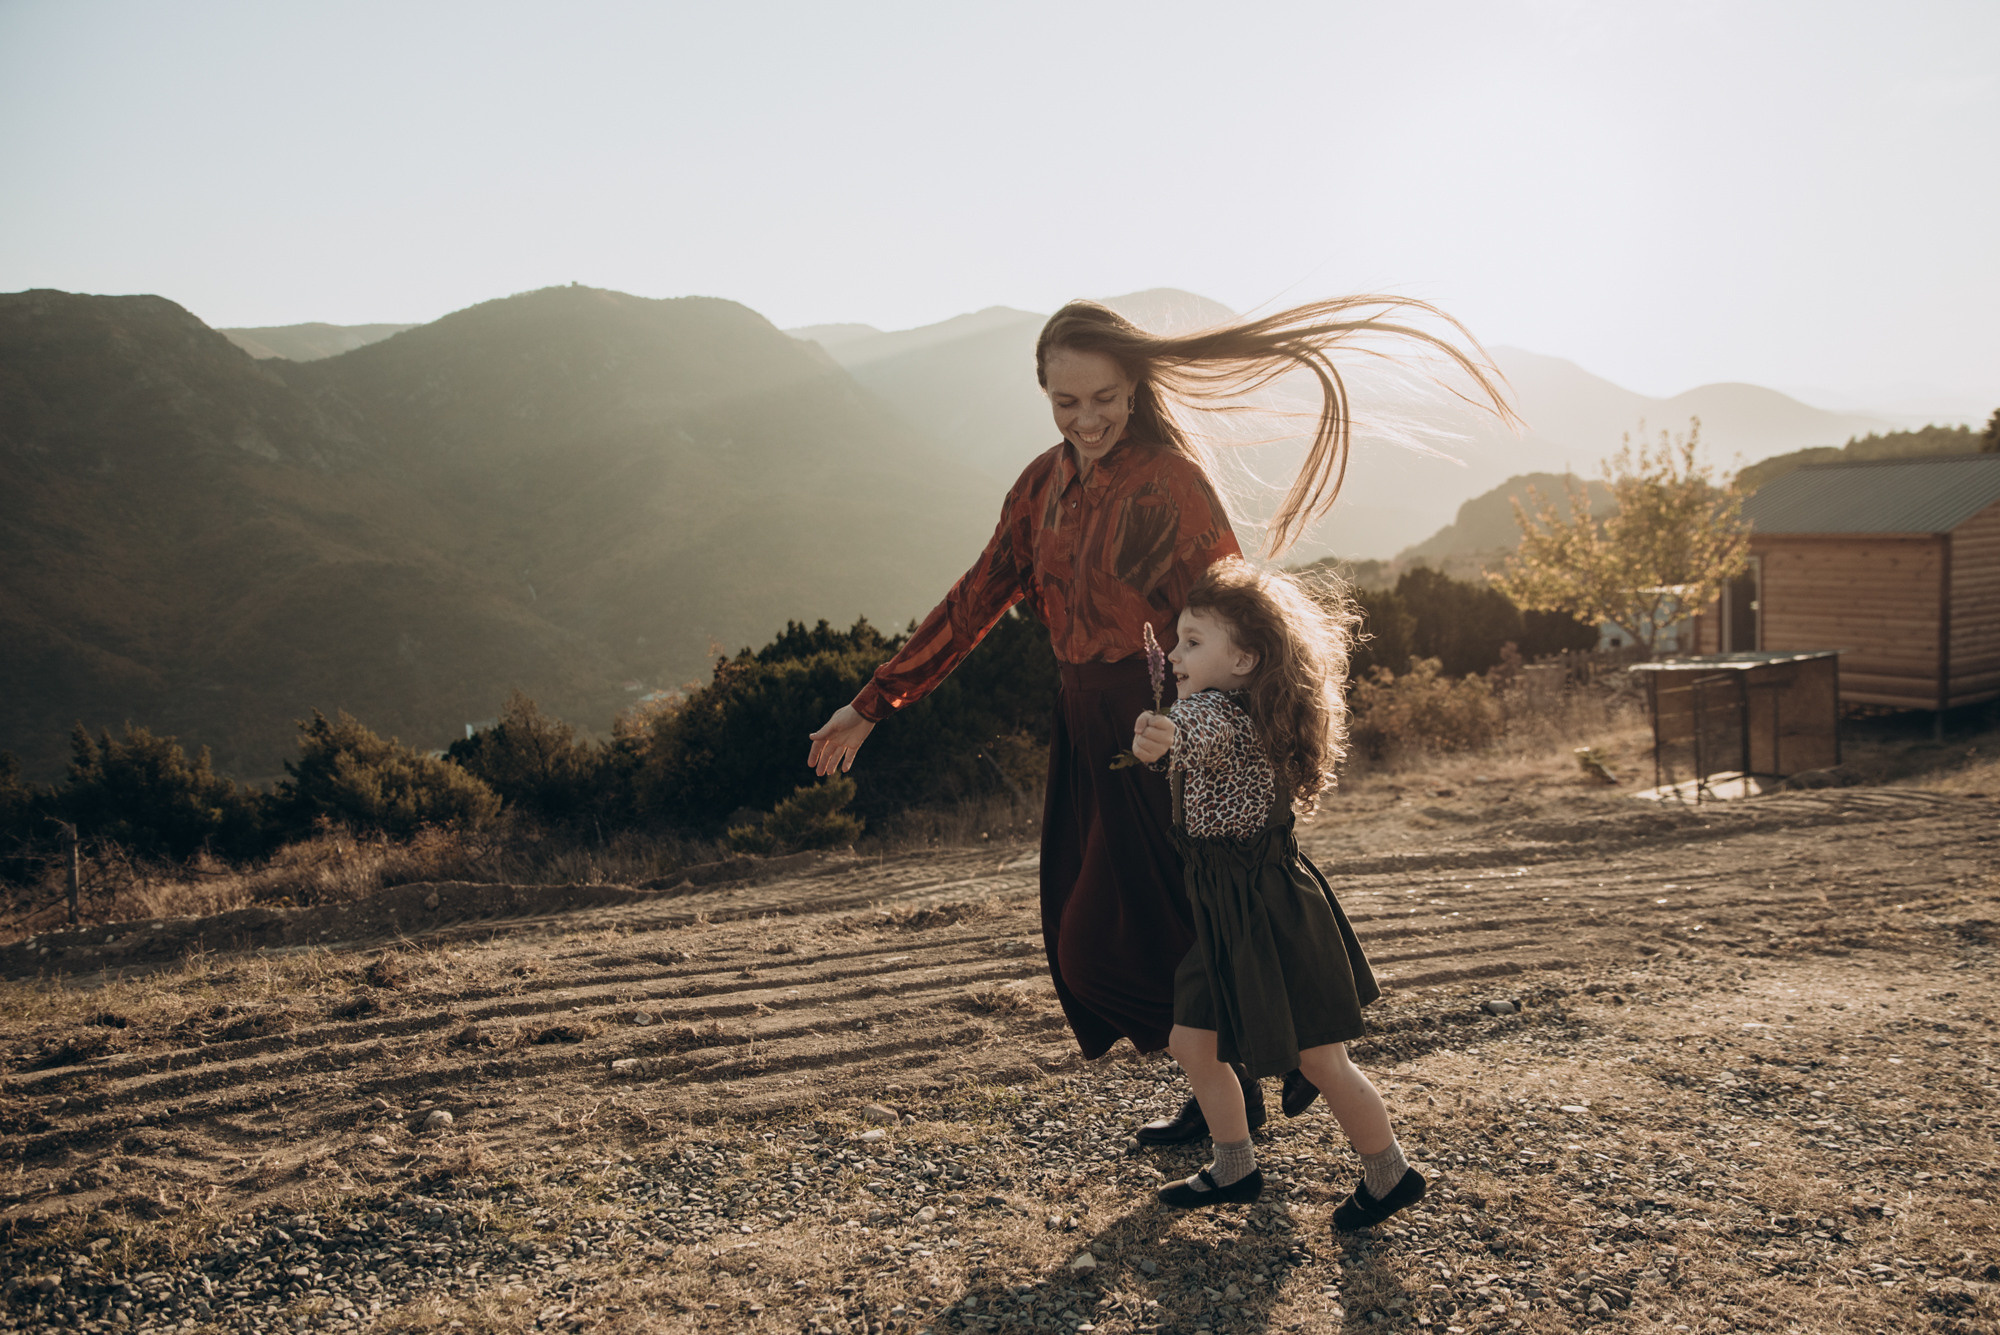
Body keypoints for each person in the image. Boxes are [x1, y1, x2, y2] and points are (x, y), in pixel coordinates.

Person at [806, 296, 1513, 1141]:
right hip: (1082, 723)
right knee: (1154, 922)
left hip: (1163, 728)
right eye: (1066, 402)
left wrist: (1224, 735)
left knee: (1132, 929)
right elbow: (975, 600)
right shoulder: (1041, 484)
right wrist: (873, 701)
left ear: (1134, 388)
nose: (1087, 417)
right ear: (1044, 396)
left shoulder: (1171, 484)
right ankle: (1232, 1086)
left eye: (1103, 397)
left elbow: (1236, 619)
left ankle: (1271, 1056)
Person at [1131, 557, 1423, 1230]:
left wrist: (1162, 736)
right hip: (1222, 907)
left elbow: (1194, 731)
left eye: (1194, 641)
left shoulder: (1218, 717)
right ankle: (1235, 1163)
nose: (1175, 655)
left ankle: (1390, 1171)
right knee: (1191, 1040)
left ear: (1245, 659)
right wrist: (1163, 741)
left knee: (1322, 1058)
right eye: (1176, 640)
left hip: (1267, 909)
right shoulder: (1232, 707)